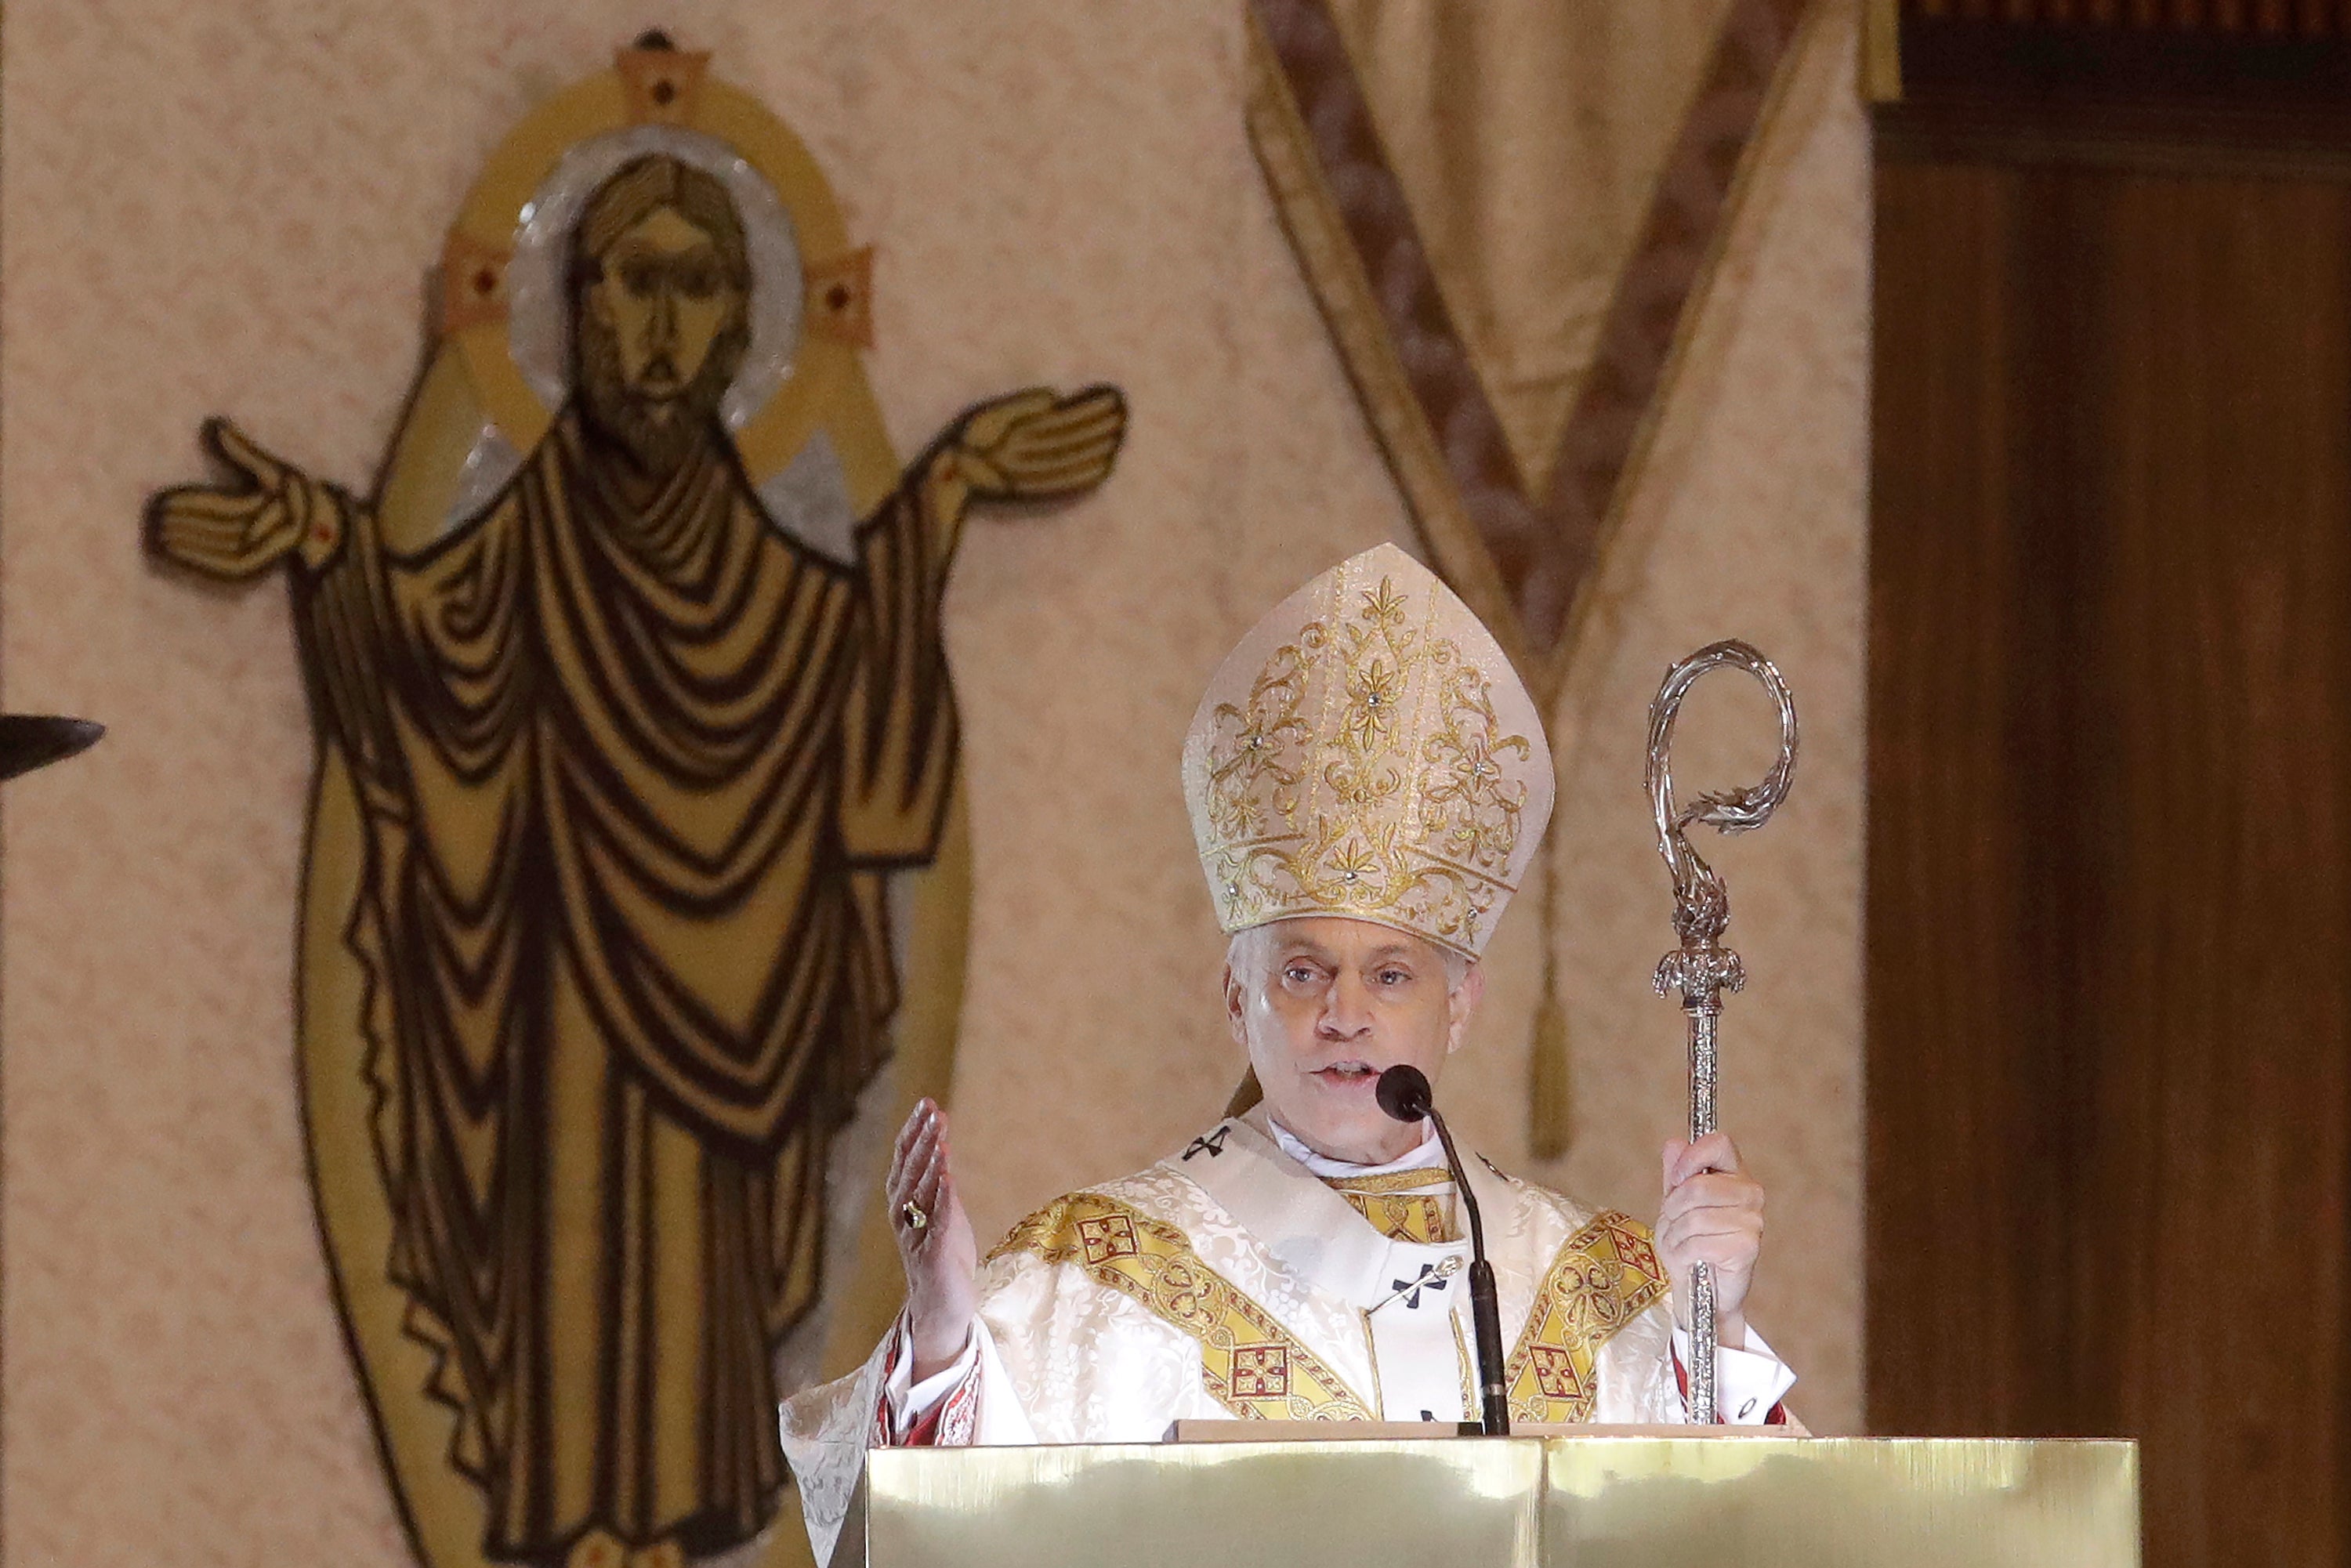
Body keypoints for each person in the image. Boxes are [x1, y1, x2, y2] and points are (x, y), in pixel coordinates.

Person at [147, 151, 1122, 1568]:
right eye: (628, 284)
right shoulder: (521, 555)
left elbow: (863, 756)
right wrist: (318, 539)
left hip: (727, 1114)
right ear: (576, 310)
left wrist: (953, 490)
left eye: (695, 288)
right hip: (557, 1058)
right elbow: (424, 675)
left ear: (740, 326)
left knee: (692, 1294)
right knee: (572, 1252)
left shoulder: (783, 596)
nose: (659, 328)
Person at [781, 542, 1795, 1563]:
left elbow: (1740, 1536)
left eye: (1391, 975)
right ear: (1236, 997)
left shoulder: (1596, 1285)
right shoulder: (1087, 1275)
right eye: (1303, 972)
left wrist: (1721, 1327)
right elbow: (913, 1540)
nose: (1345, 1014)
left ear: (1462, 1004)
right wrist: (947, 1334)